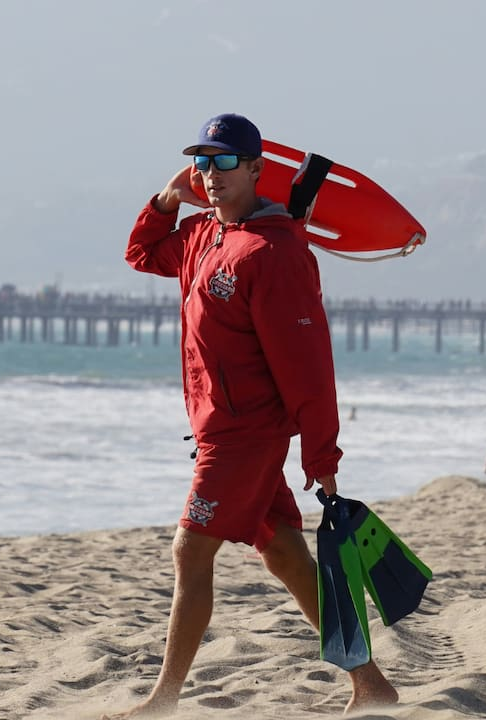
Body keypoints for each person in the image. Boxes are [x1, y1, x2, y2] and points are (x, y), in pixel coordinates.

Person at [102, 113, 397, 718]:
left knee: (190, 551)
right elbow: (140, 253)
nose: (211, 176)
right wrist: (164, 201)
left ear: (259, 169)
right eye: (202, 163)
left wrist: (322, 453)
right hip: (219, 428)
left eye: (226, 162)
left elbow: (309, 363)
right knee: (287, 555)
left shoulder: (276, 250)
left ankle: (163, 699)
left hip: (246, 435)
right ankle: (371, 683)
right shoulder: (200, 236)